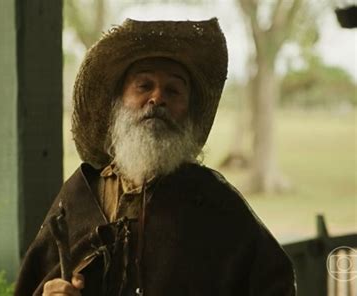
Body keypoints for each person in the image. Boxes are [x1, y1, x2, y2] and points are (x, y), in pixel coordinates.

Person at [15, 18, 296, 296]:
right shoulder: (79, 198)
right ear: (118, 103)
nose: (157, 98)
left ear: (189, 113)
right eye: (144, 85)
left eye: (173, 90)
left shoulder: (216, 204)